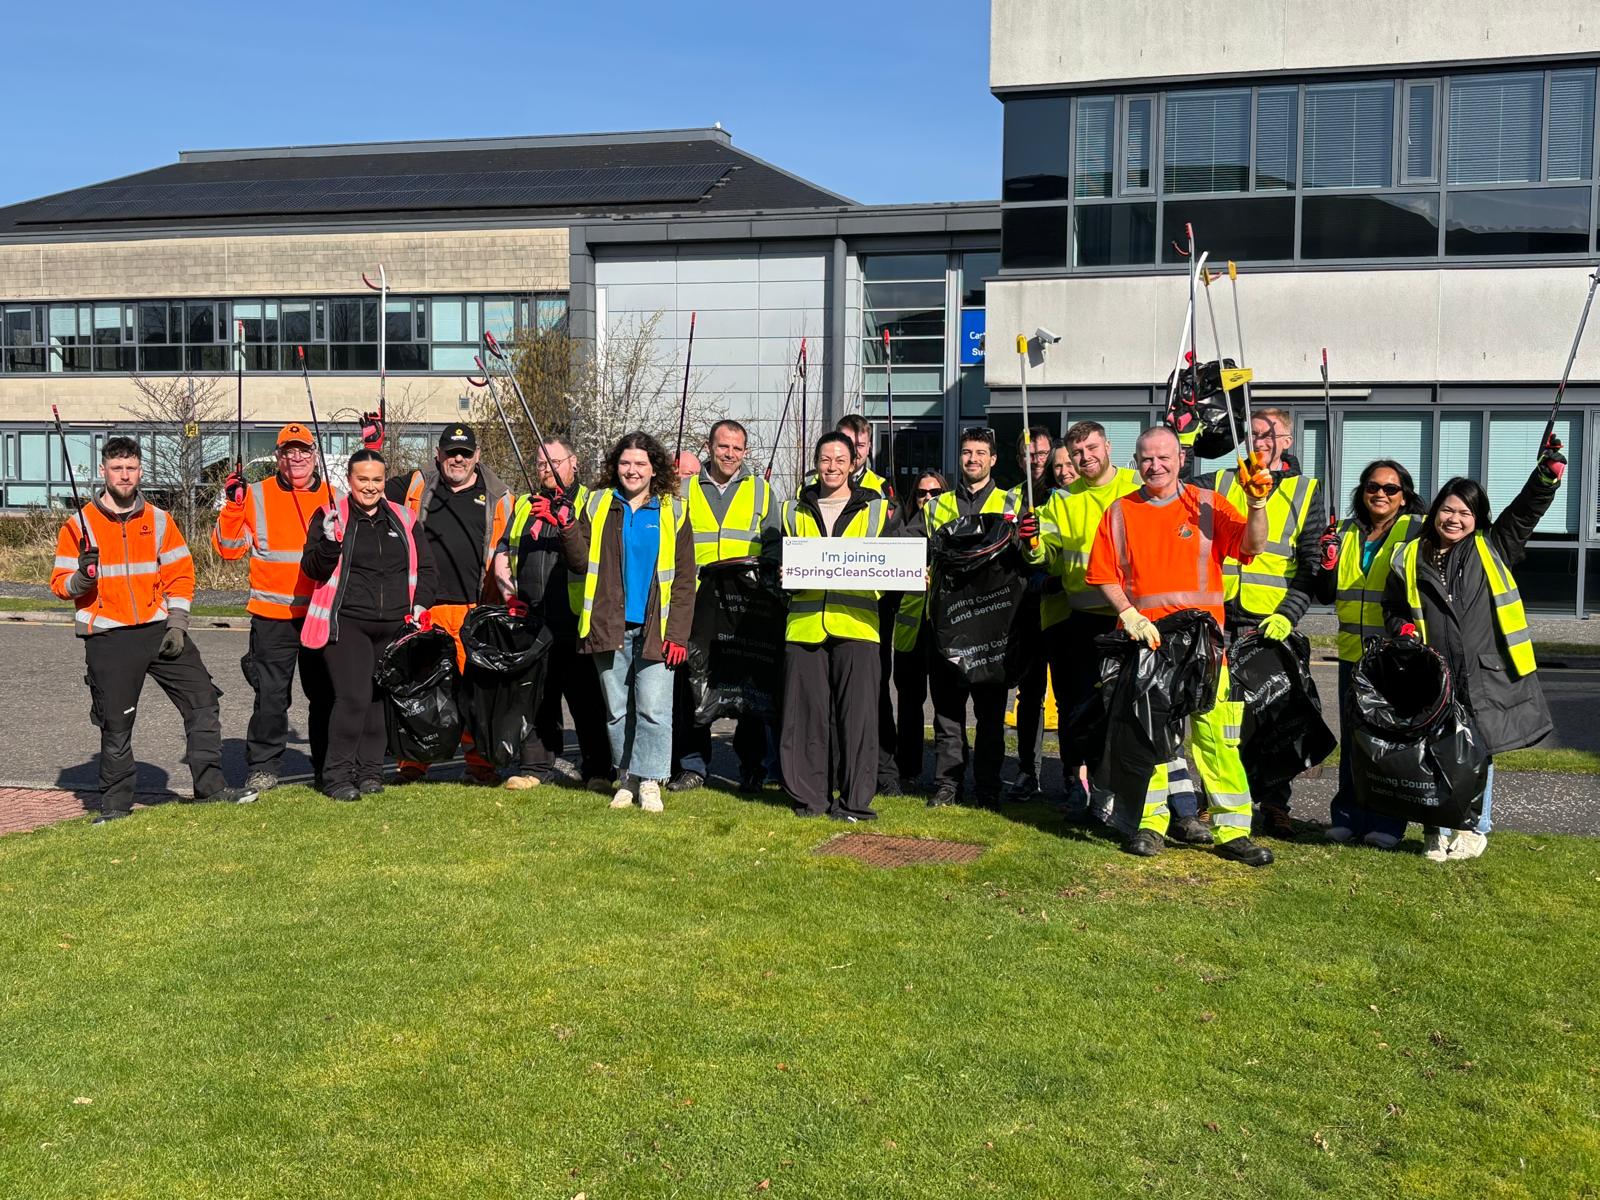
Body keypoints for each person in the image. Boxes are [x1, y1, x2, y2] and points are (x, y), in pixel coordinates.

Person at [1085, 426, 1275, 867]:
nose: (1155, 466)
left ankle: (1234, 831)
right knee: (1150, 740)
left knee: (1218, 741)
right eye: (1147, 459)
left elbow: (1254, 544)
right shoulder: (1119, 512)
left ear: (1181, 459)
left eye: (1164, 458)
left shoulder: (1206, 505)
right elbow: (1103, 575)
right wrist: (1128, 613)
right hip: (1147, 643)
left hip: (1205, 648)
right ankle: (1149, 825)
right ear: (1136, 461)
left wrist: (1258, 503)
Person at [51, 436, 255, 822]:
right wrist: (82, 576)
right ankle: (115, 806)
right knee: (116, 722)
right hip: (108, 637)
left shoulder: (160, 520)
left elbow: (180, 575)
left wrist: (177, 624)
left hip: (160, 629)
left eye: (130, 468)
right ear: (103, 472)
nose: (124, 476)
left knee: (202, 700)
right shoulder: (78, 525)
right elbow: (61, 585)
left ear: (140, 470)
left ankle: (211, 789)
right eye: (117, 468)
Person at [1382, 445, 1563, 862]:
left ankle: (1472, 828)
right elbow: (1391, 607)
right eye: (1448, 510)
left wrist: (1545, 477)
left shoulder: (1493, 546)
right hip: (1431, 672)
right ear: (1436, 512)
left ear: (1477, 519)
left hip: (1483, 673)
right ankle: (1435, 829)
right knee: (1429, 750)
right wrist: (1402, 628)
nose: (1454, 519)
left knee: (1477, 751)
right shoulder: (1408, 555)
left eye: (1465, 513)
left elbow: (1524, 513)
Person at [553, 431, 695, 813]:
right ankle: (626, 777)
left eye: (640, 464)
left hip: (657, 627)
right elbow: (581, 562)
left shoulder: (672, 511)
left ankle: (650, 781)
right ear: (615, 466)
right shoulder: (598, 504)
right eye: (625, 463)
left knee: (653, 707)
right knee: (617, 709)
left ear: (654, 470)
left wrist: (678, 633)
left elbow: (684, 578)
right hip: (607, 623)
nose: (632, 470)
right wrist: (567, 528)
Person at [1210, 407, 1322, 839]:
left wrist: (1287, 615)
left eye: (1267, 434)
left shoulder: (1306, 490)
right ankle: (1218, 799)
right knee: (1220, 719)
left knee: (1273, 719)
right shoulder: (1219, 482)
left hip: (1268, 622)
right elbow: (1170, 477)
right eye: (1252, 433)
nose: (1258, 441)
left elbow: (1310, 567)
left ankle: (1276, 804)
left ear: (1287, 442)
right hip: (1219, 617)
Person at [302, 449, 436, 802]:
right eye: (363, 479)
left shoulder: (404, 519)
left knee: (379, 699)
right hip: (347, 622)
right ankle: (337, 776)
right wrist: (330, 542)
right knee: (354, 698)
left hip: (394, 624)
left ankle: (371, 773)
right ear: (349, 479)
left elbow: (427, 570)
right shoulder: (331, 517)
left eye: (377, 479)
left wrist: (420, 604)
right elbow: (312, 568)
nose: (371, 487)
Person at [779, 431, 900, 820]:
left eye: (839, 460)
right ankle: (810, 799)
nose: (832, 467)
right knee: (806, 717)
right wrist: (781, 573)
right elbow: (774, 560)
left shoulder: (879, 510)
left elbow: (898, 559)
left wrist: (907, 573)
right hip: (805, 626)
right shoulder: (791, 511)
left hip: (858, 626)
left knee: (859, 718)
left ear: (853, 465)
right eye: (825, 459)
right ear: (816, 463)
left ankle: (854, 802)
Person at [212, 422, 335, 794]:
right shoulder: (255, 495)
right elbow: (229, 549)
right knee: (270, 697)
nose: (296, 457)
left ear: (314, 455)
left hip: (320, 615)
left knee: (327, 694)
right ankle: (263, 766)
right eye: (288, 451)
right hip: (273, 617)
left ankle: (328, 763)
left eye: (303, 450)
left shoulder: (333, 495)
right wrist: (233, 505)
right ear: (278, 457)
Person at [923, 426, 1041, 809]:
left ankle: (987, 787)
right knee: (947, 715)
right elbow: (911, 547)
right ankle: (947, 784)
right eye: (966, 453)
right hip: (948, 628)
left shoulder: (1013, 503)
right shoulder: (936, 506)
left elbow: (1028, 556)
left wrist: (1031, 537)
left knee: (990, 717)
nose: (972, 459)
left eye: (980, 453)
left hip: (995, 629)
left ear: (993, 459)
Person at [388, 423, 513, 784]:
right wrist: (374, 444)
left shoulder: (500, 496)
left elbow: (510, 550)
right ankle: (412, 765)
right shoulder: (415, 486)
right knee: (422, 691)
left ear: (477, 456)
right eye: (450, 451)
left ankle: (479, 765)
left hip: (476, 610)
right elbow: (369, 488)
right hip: (426, 609)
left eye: (465, 452)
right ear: (438, 454)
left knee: (476, 693)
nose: (457, 458)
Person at [1312, 460, 1424, 847]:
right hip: (1350, 652)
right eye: (1372, 486)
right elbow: (1325, 594)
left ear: (1404, 495)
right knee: (1353, 740)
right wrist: (1326, 562)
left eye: (1391, 489)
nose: (1380, 494)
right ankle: (1348, 816)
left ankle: (1388, 824)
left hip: (1394, 655)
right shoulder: (1342, 532)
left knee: (1388, 741)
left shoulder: (1417, 530)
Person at [492, 436, 611, 792]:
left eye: (554, 462)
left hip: (577, 619)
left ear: (573, 463)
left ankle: (599, 770)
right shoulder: (526, 503)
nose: (547, 469)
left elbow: (596, 555)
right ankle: (535, 767)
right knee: (537, 697)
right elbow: (503, 549)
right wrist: (508, 594)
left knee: (587, 700)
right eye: (542, 463)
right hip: (532, 618)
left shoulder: (591, 502)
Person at [1037, 421, 1140, 819]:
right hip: (1080, 620)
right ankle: (1080, 785)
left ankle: (1128, 788)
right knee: (1078, 709)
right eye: (1077, 453)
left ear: (1108, 446)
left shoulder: (1135, 485)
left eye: (1092, 448)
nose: (1085, 458)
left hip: (1131, 618)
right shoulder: (1062, 500)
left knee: (1129, 707)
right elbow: (1044, 556)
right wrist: (1031, 543)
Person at [670, 419, 780, 793]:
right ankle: (692, 766)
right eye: (723, 447)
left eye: (736, 448)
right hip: (696, 603)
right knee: (694, 684)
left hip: (745, 606)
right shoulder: (683, 491)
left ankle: (752, 766)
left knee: (746, 688)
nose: (730, 454)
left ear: (745, 452)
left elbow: (774, 544)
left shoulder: (763, 491)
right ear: (709, 446)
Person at [828, 413, 897, 793]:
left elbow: (896, 541)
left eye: (861, 445)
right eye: (846, 443)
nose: (853, 453)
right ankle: (833, 769)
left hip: (869, 608)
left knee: (874, 694)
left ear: (867, 449)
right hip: (822, 606)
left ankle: (882, 772)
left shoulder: (881, 489)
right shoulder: (814, 484)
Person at [1005, 425, 1055, 800]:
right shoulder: (1012, 497)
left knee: (1075, 696)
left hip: (1065, 602)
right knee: (1030, 693)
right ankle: (1028, 771)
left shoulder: (1064, 490)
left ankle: (1076, 775)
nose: (1035, 461)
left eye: (1041, 454)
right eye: (1028, 455)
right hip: (1026, 606)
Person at [890, 470, 948, 790]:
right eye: (922, 494)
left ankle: (946, 778)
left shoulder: (953, 530)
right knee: (910, 707)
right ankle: (908, 771)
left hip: (943, 634)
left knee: (945, 708)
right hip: (910, 634)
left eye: (935, 493)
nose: (928, 499)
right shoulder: (903, 531)